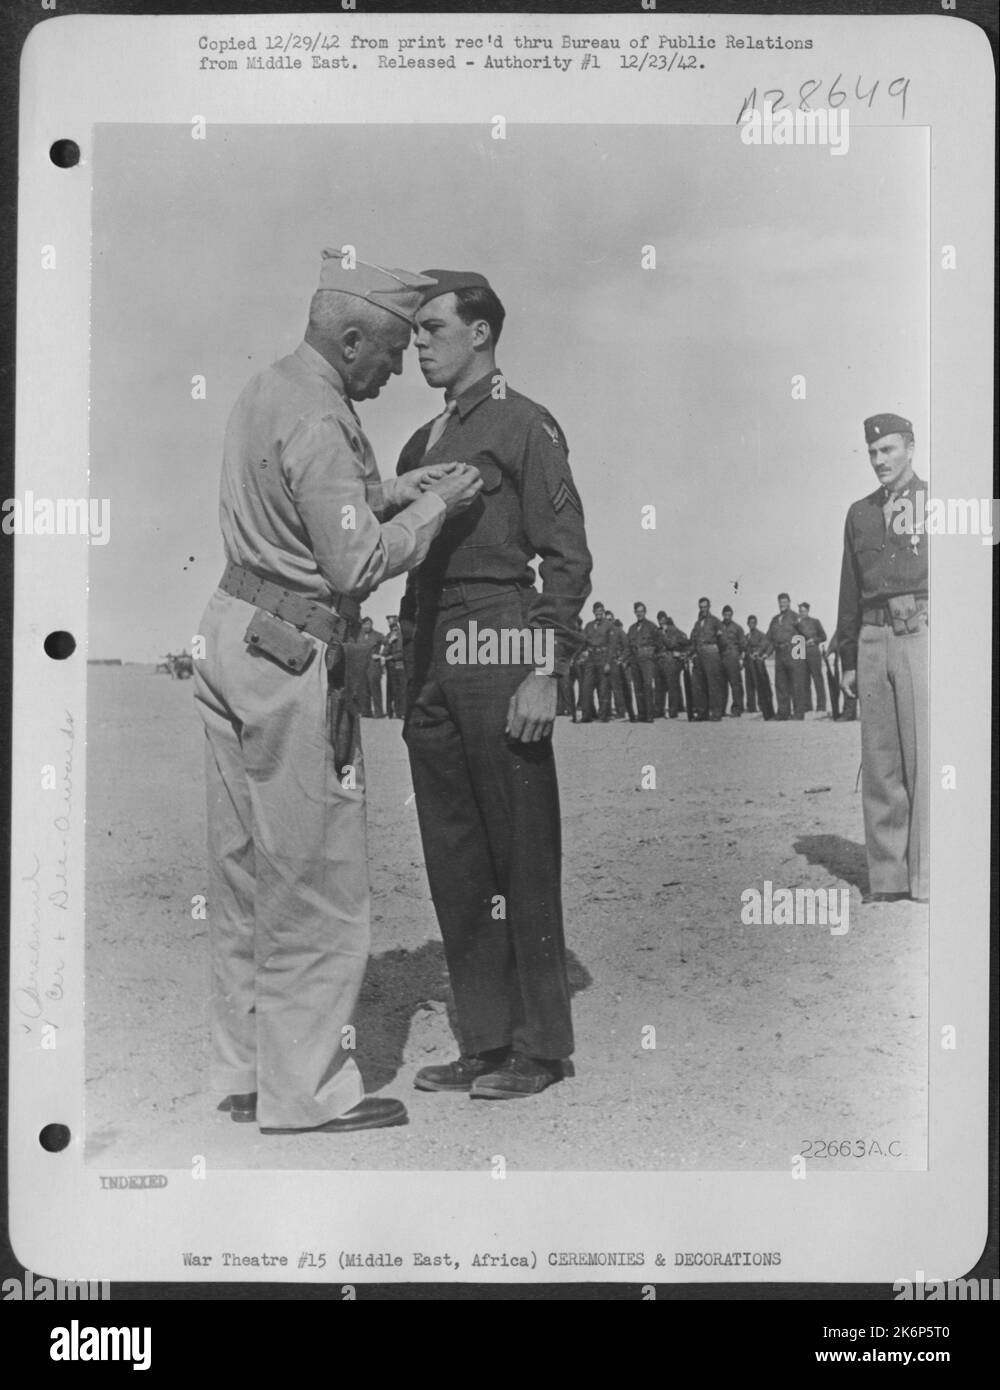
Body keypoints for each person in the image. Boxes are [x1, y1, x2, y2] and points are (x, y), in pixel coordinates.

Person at [192, 249, 483, 1135]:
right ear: (351, 336)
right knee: (317, 881)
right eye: (389, 350)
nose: (396, 369)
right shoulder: (323, 417)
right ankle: (306, 1093)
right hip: (290, 658)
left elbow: (309, 503)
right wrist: (435, 511)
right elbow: (353, 560)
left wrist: (397, 486)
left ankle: (244, 1074)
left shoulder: (269, 389)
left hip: (231, 632)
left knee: (242, 874)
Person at [397, 269, 592, 1100]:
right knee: (455, 854)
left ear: (481, 332)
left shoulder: (525, 424)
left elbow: (567, 557)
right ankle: (483, 1041)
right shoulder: (416, 446)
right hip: (430, 653)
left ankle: (540, 1046)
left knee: (520, 850)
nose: (419, 343)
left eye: (434, 328)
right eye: (414, 331)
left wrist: (543, 670)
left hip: (501, 639)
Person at [837, 413, 927, 901]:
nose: (879, 460)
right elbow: (849, 587)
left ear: (910, 448)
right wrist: (848, 656)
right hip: (872, 639)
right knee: (881, 763)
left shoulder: (935, 502)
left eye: (888, 450)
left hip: (921, 635)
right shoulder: (860, 513)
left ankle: (926, 878)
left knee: (924, 759)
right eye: (872, 453)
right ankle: (889, 879)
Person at [764, 592, 808, 720]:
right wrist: (765, 653)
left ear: (789, 603)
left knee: (797, 684)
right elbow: (769, 639)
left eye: (785, 602)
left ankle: (799, 713)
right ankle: (783, 712)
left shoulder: (795, 617)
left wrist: (800, 655)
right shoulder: (775, 619)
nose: (782, 604)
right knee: (781, 684)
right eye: (780, 602)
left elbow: (805, 634)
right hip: (779, 653)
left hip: (793, 651)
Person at [689, 596, 725, 721]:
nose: (703, 609)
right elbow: (693, 639)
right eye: (701, 607)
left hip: (711, 654)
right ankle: (702, 713)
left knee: (713, 684)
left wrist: (716, 653)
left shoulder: (715, 621)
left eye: (705, 607)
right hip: (699, 655)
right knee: (699, 684)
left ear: (709, 607)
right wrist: (692, 653)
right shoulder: (697, 623)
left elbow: (722, 640)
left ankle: (716, 713)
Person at [578, 601, 615, 722]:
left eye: (600, 610)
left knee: (603, 688)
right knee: (586, 687)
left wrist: (608, 663)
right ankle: (586, 715)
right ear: (593, 612)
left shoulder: (609, 625)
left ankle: (603, 715)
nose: (598, 612)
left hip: (603, 657)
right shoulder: (589, 626)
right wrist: (582, 654)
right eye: (596, 610)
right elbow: (582, 642)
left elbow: (611, 646)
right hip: (591, 659)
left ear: (603, 611)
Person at [627, 601, 661, 721]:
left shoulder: (652, 626)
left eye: (641, 611)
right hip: (635, 659)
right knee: (637, 686)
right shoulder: (631, 628)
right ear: (635, 613)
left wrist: (653, 657)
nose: (639, 614)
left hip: (647, 659)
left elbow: (659, 644)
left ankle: (650, 714)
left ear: (645, 612)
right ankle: (641, 714)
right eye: (637, 611)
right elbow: (629, 646)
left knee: (647, 685)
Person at [797, 601, 828, 714]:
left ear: (808, 611)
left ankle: (821, 706)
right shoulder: (797, 624)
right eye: (800, 611)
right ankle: (807, 706)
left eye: (804, 611)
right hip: (801, 654)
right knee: (804, 681)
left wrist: (814, 640)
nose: (802, 613)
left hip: (814, 653)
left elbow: (824, 636)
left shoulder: (815, 622)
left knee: (818, 679)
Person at [656, 612, 687, 718]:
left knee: (672, 686)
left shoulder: (673, 630)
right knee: (659, 687)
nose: (660, 621)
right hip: (660, 661)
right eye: (659, 619)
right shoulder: (658, 631)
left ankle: (673, 711)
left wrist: (664, 634)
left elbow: (671, 644)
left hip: (670, 662)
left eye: (662, 619)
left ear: (666, 619)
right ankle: (659, 711)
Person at [743, 615, 774, 720]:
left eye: (753, 622)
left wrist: (762, 655)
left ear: (756, 623)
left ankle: (762, 706)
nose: (752, 624)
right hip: (748, 662)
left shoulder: (760, 634)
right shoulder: (746, 636)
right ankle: (751, 707)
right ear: (747, 624)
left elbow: (767, 645)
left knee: (759, 684)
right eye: (750, 622)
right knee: (749, 684)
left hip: (757, 662)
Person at [717, 605, 745, 717]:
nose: (727, 617)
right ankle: (722, 709)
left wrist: (741, 659)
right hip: (721, 658)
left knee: (735, 684)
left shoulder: (738, 628)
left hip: (733, 657)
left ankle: (737, 709)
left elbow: (743, 645)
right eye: (725, 614)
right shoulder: (718, 627)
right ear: (722, 615)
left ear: (732, 615)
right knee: (721, 685)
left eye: (729, 615)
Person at [382, 614, 407, 718]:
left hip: (400, 665)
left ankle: (402, 712)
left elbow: (404, 652)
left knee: (402, 690)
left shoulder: (403, 635)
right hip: (391, 667)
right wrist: (389, 642)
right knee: (392, 690)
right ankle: (393, 712)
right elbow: (384, 652)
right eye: (391, 626)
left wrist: (392, 657)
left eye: (394, 625)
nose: (393, 628)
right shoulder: (388, 636)